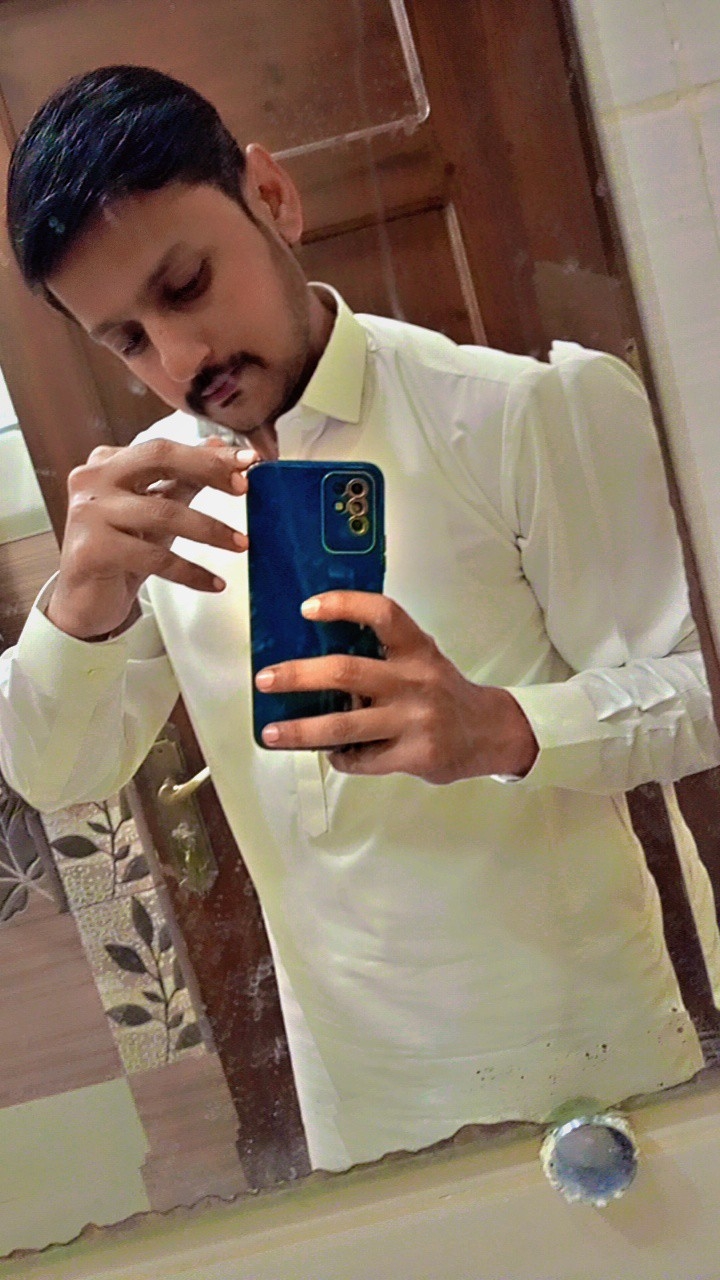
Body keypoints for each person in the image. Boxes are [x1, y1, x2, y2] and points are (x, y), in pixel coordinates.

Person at [3, 64, 720, 1171]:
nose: (181, 360)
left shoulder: (513, 409)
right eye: (128, 340)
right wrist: (78, 608)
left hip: (588, 1067)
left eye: (188, 284)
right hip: (354, 1110)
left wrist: (505, 728)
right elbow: (58, 771)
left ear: (271, 197)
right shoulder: (163, 500)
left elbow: (700, 689)